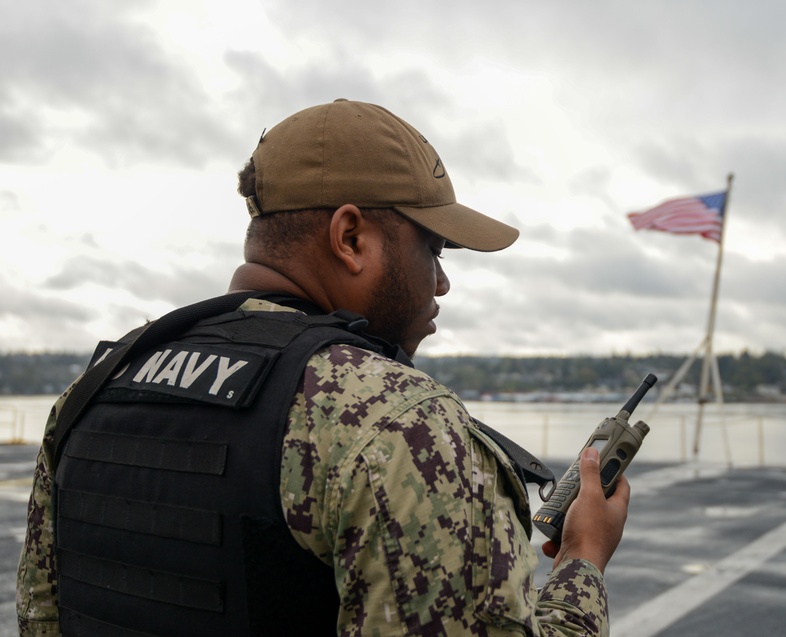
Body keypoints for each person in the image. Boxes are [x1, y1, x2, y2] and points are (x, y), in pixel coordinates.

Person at [17, 99, 630, 636]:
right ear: (350, 238)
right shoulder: (396, 424)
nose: (441, 281)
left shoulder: (98, 387)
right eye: (433, 249)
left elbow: (41, 617)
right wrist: (582, 558)